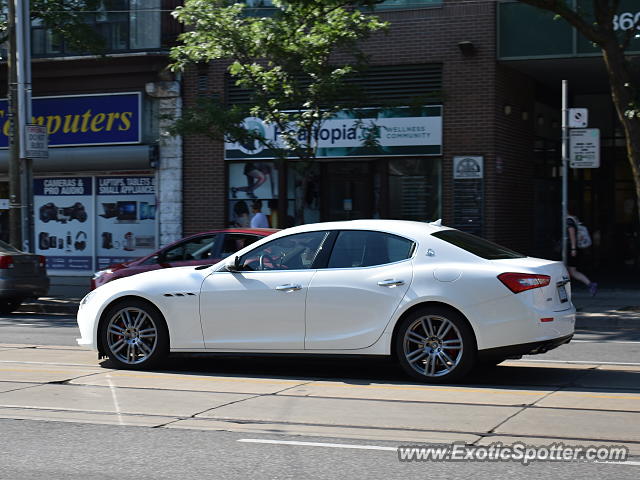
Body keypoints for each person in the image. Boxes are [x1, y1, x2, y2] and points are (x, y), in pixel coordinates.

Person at [567, 212, 598, 296]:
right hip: (573, 249)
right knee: (572, 271)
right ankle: (590, 284)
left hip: (570, 249)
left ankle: (567, 290)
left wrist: (573, 248)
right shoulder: (573, 219)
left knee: (569, 271)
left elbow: (571, 233)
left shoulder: (569, 220)